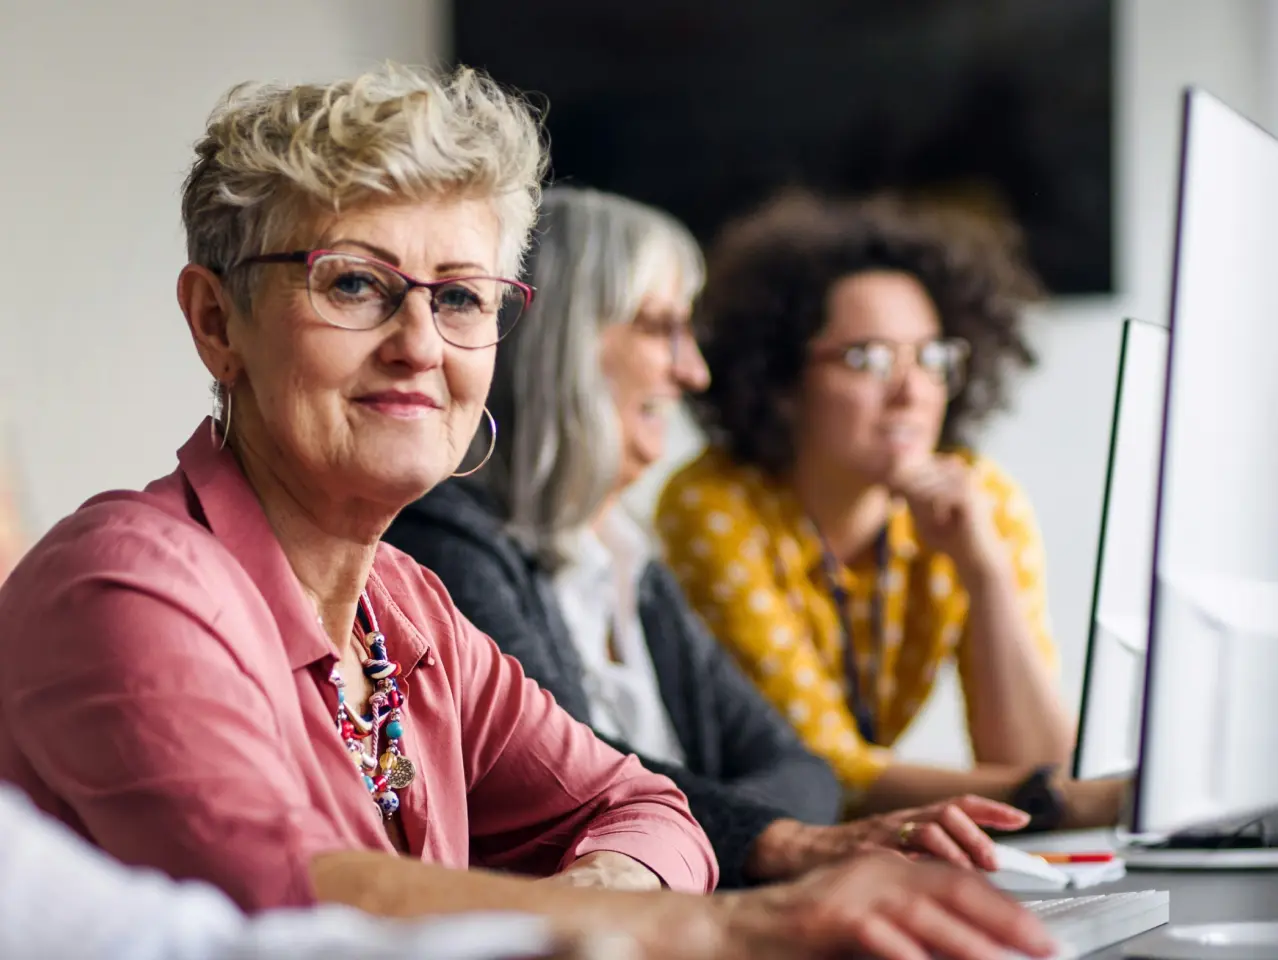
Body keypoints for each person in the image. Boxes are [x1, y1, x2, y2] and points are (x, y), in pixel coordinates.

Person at [0, 68, 1054, 960]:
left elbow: (649, 805)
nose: (421, 342)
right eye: (356, 284)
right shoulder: (125, 583)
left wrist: (610, 893)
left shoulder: (409, 607)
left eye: (461, 297)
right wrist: (726, 929)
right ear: (215, 321)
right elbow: (284, 903)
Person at [386, 185, 1036, 889]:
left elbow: (803, 772)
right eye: (659, 326)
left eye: (931, 357)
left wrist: (723, 830)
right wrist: (772, 839)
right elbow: (575, 780)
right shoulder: (446, 540)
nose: (692, 371)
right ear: (562, 342)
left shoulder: (626, 558)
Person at [657, 192, 1123, 828]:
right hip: (728, 843)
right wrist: (1082, 801)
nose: (911, 392)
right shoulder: (712, 506)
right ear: (782, 382)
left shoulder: (979, 500)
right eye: (868, 359)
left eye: (931, 358)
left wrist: (984, 576)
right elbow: (821, 767)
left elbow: (1038, 762)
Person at [0, 781, 601, 959]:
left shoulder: (411, 596)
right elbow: (274, 886)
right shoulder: (125, 576)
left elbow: (185, 944)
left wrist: (551, 929)